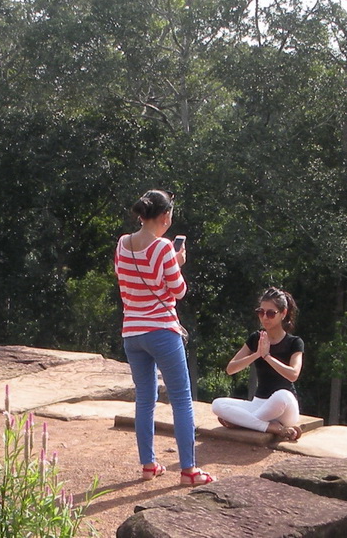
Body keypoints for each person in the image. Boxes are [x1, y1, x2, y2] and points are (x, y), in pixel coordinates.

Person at [114, 189, 214, 486]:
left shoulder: (123, 243)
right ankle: (189, 471)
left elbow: (125, 278)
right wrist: (177, 262)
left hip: (132, 332)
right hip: (161, 330)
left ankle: (148, 465)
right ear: (165, 216)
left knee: (145, 399)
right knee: (181, 399)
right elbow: (179, 291)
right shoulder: (163, 248)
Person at [211, 287, 305, 441]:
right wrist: (256, 354)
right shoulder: (256, 338)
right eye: (261, 312)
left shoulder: (295, 342)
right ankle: (272, 427)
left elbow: (293, 374)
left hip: (284, 407)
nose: (265, 318)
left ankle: (243, 422)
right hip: (259, 403)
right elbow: (230, 369)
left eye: (271, 313)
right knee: (217, 404)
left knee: (282, 395)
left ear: (283, 313)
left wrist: (267, 356)